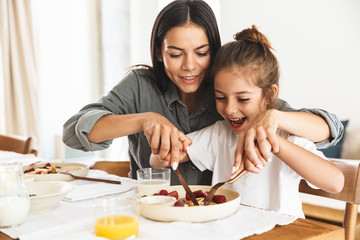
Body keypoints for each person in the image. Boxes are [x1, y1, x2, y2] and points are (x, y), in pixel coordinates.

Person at [62, 0, 343, 186]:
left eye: (201, 52)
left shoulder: (228, 90)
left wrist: (274, 118)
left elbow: (328, 129)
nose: (189, 66)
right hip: (150, 218)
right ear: (160, 53)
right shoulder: (139, 85)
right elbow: (75, 131)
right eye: (175, 54)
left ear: (215, 50)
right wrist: (145, 120)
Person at [150, 25, 344, 217]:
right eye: (220, 97)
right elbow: (157, 160)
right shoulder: (219, 134)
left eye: (242, 99)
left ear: (269, 95)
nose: (229, 109)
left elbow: (335, 183)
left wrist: (276, 144)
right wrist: (167, 143)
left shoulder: (287, 137)